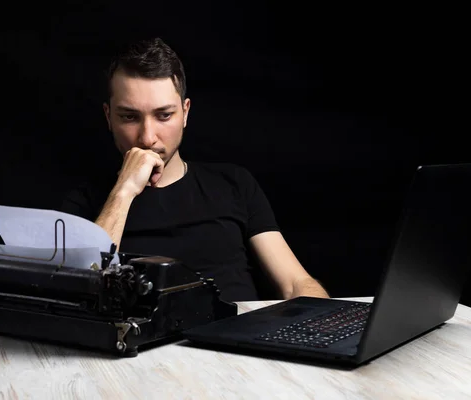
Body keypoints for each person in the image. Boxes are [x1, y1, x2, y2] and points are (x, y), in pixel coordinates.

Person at [61, 37, 329, 302]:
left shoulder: (234, 184)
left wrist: (322, 328)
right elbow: (81, 288)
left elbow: (296, 284)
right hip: (143, 343)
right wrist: (125, 190)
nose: (147, 137)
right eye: (129, 117)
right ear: (109, 117)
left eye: (164, 115)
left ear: (185, 113)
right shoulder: (86, 202)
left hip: (237, 340)